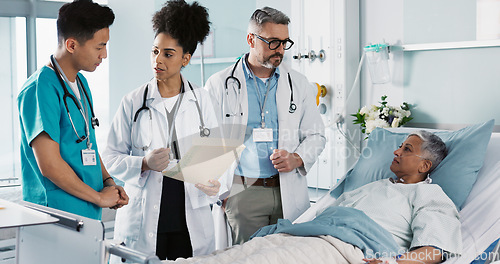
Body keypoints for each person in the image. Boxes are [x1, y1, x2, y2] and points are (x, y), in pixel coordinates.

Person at [163, 131, 462, 264]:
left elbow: (434, 249)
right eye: (399, 146)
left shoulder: (429, 195)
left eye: (407, 149)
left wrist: (396, 263)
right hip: (307, 235)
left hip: (345, 250)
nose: (396, 151)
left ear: (425, 166)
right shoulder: (373, 186)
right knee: (230, 255)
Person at [102, 0, 221, 261]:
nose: (158, 60)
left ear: (185, 58)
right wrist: (143, 163)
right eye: (154, 51)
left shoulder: (203, 100)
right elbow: (109, 158)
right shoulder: (133, 101)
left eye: (168, 54)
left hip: (190, 220)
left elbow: (215, 159)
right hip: (144, 220)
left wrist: (214, 181)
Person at [204, 6, 326, 246]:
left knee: (288, 256)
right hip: (243, 192)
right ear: (251, 39)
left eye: (284, 42)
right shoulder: (219, 84)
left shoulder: (298, 84)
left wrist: (297, 157)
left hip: (287, 191)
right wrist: (225, 194)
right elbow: (208, 142)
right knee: (247, 259)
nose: (280, 50)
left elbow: (317, 135)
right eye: (272, 42)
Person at [17, 0, 128, 221]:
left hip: (87, 211)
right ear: (72, 45)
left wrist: (108, 183)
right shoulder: (41, 88)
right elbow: (49, 165)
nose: (104, 55)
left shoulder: (81, 84)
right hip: (56, 214)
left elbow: (87, 144)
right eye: (99, 47)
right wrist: (98, 198)